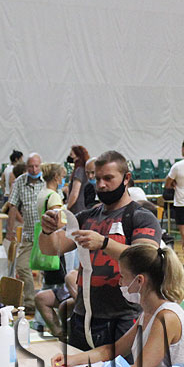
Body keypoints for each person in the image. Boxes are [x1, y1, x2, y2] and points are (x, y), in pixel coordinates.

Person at [39, 150, 162, 351]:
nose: (102, 185)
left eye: (108, 178)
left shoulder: (141, 217)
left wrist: (104, 243)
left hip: (124, 318)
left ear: (126, 178)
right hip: (84, 316)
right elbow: (52, 248)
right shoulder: (86, 217)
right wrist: (47, 230)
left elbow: (146, 256)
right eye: (97, 179)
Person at [48, 245, 184, 367]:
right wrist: (72, 360)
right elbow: (112, 350)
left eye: (122, 276)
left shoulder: (166, 318)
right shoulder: (148, 313)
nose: (120, 282)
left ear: (139, 280)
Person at [7, 153, 46, 312]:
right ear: (26, 167)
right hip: (29, 234)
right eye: (31, 166)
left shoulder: (47, 180)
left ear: (41, 166)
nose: (34, 169)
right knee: (22, 266)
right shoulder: (20, 181)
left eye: (37, 166)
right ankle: (30, 302)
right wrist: (10, 230)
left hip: (46, 234)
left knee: (49, 269)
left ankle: (47, 301)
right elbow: (13, 206)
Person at [64, 145, 92, 214]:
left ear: (78, 156)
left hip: (77, 208)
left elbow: (75, 193)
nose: (70, 157)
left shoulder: (79, 170)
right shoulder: (84, 170)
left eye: (71, 154)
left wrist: (67, 207)